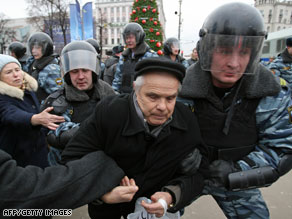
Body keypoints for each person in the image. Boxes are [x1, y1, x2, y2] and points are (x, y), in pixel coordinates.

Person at [179, 3, 292, 218]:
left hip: (235, 177)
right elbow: (155, 132)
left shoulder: (270, 93)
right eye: (224, 51)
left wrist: (237, 171)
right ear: (208, 50)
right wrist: (177, 156)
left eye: (244, 52)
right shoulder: (180, 87)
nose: (234, 63)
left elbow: (282, 152)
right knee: (153, 209)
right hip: (189, 175)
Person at [61, 57, 208, 219]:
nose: (162, 107)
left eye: (170, 98)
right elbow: (72, 158)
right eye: (153, 97)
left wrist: (171, 197)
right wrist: (102, 193)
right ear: (135, 90)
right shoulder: (109, 112)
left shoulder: (186, 120)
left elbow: (199, 173)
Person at [41, 40, 116, 166]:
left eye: (85, 70)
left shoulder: (109, 94)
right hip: (70, 168)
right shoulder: (57, 101)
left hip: (105, 164)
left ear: (93, 71)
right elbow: (57, 135)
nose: (80, 76)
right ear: (67, 74)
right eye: (74, 71)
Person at [0, 54, 65, 168]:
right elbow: (10, 114)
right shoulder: (3, 97)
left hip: (38, 152)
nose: (16, 75)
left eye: (17, 69)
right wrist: (34, 119)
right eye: (8, 72)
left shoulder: (27, 90)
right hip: (16, 158)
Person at [112, 22, 158, 93]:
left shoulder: (150, 56)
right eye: (127, 38)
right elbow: (117, 79)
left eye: (131, 37)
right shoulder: (124, 56)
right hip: (124, 97)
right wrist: (115, 94)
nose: (128, 41)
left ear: (139, 37)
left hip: (141, 98)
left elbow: (154, 80)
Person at [25, 32, 63, 103]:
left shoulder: (52, 69)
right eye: (32, 47)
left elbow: (58, 95)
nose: (33, 51)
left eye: (37, 48)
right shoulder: (32, 62)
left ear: (46, 48)